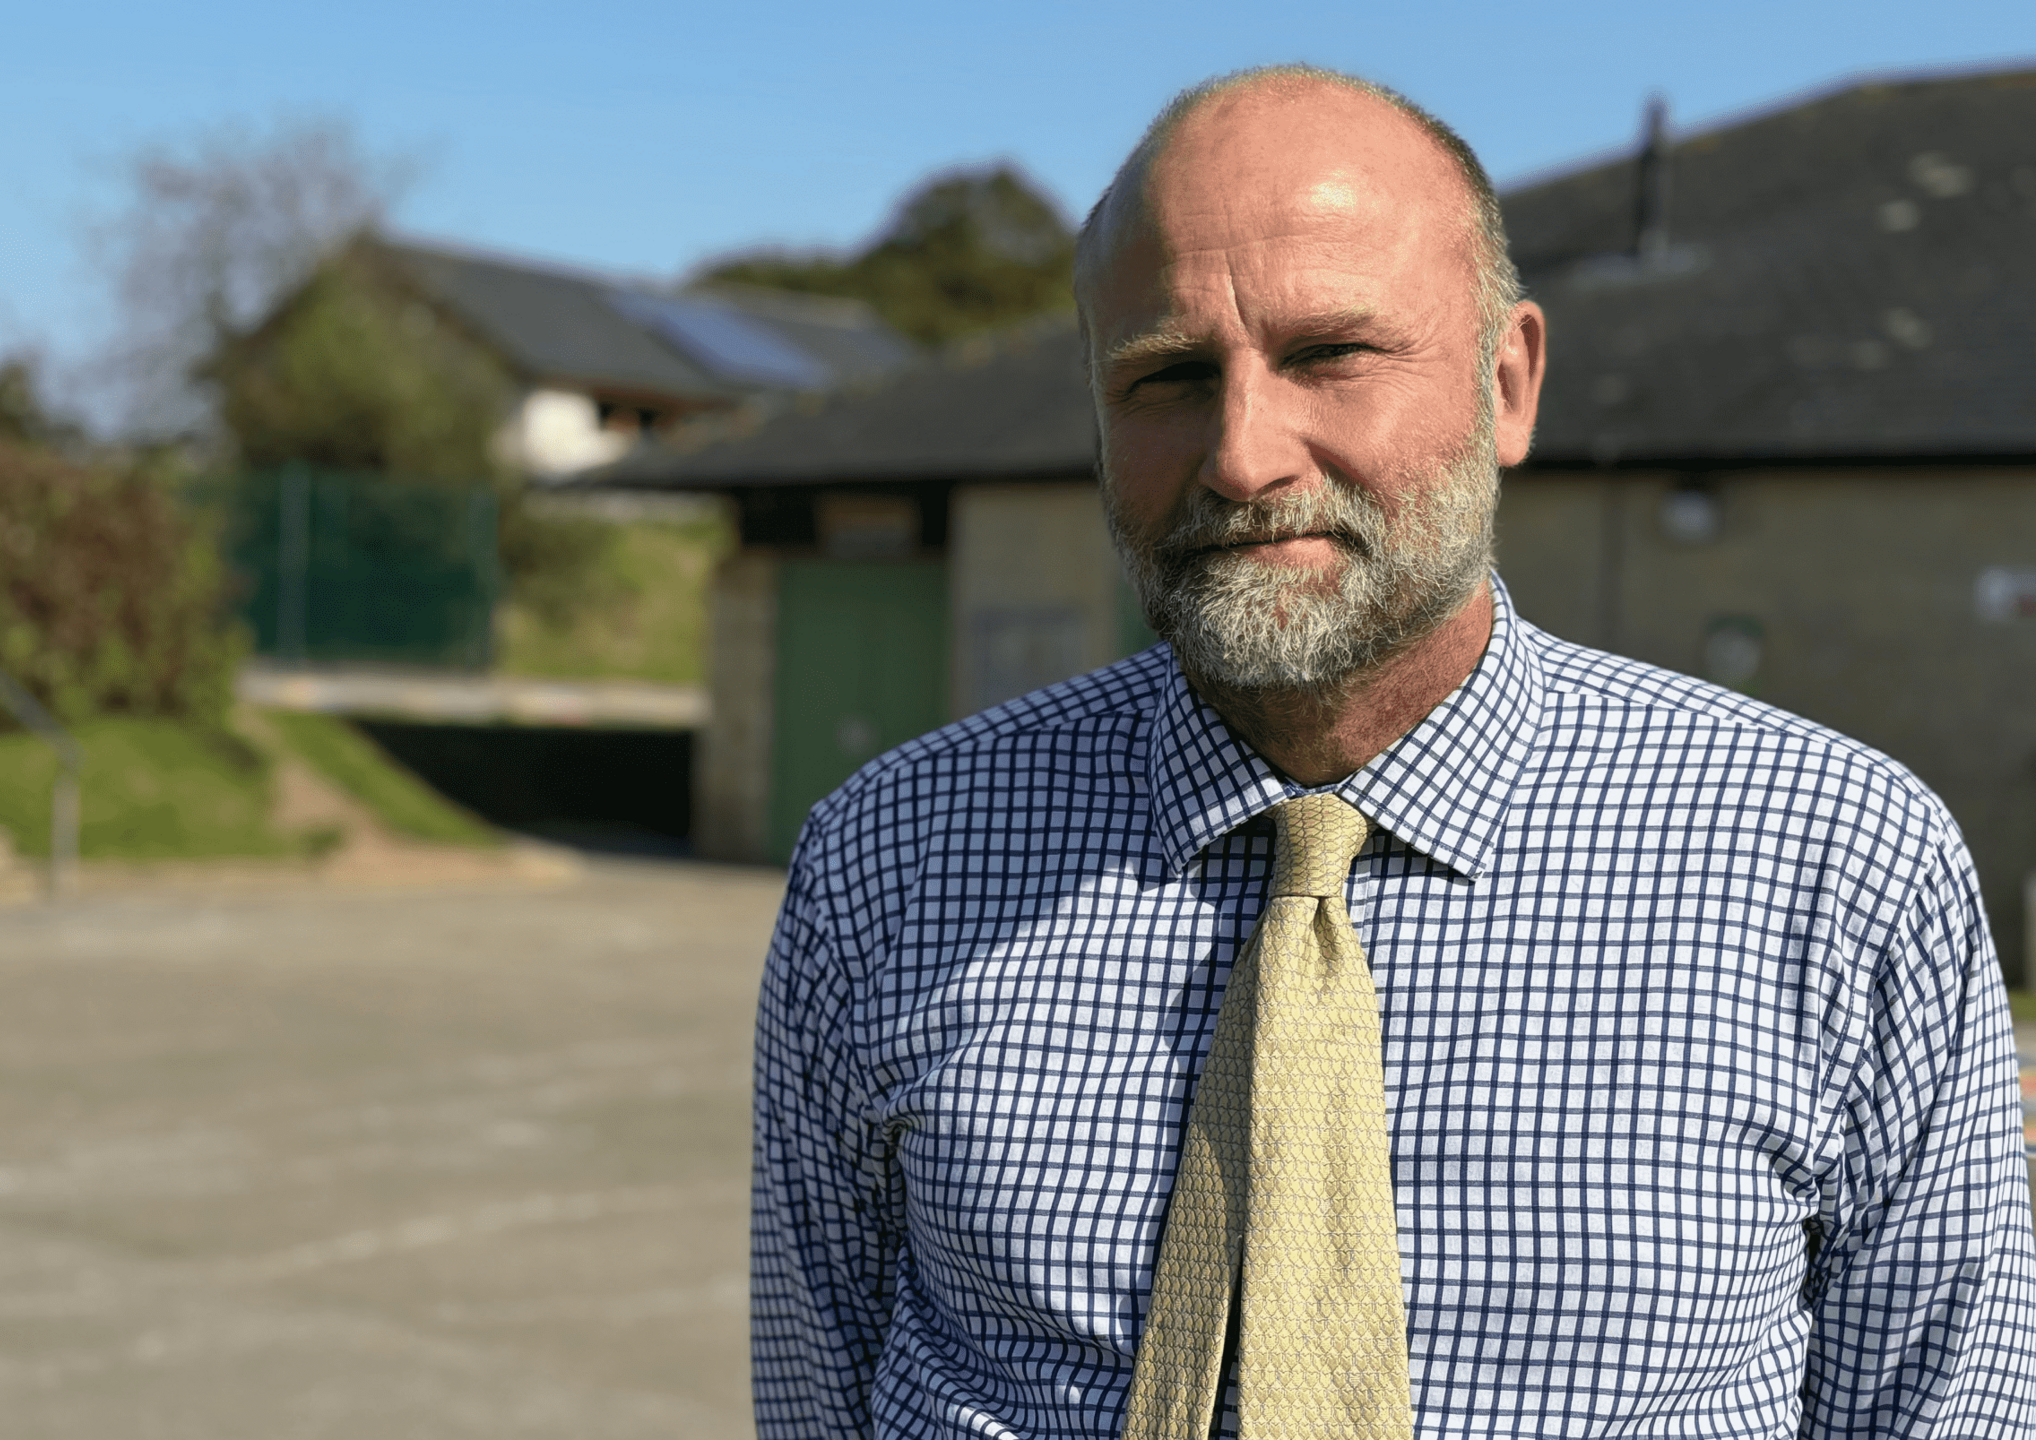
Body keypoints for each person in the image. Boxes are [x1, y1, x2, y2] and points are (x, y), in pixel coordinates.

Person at [749, 64, 2036, 1439]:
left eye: (1331, 356)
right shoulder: (890, 858)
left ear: (1509, 381)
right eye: (1169, 375)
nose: (1243, 454)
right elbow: (815, 1395)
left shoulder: (1839, 864)